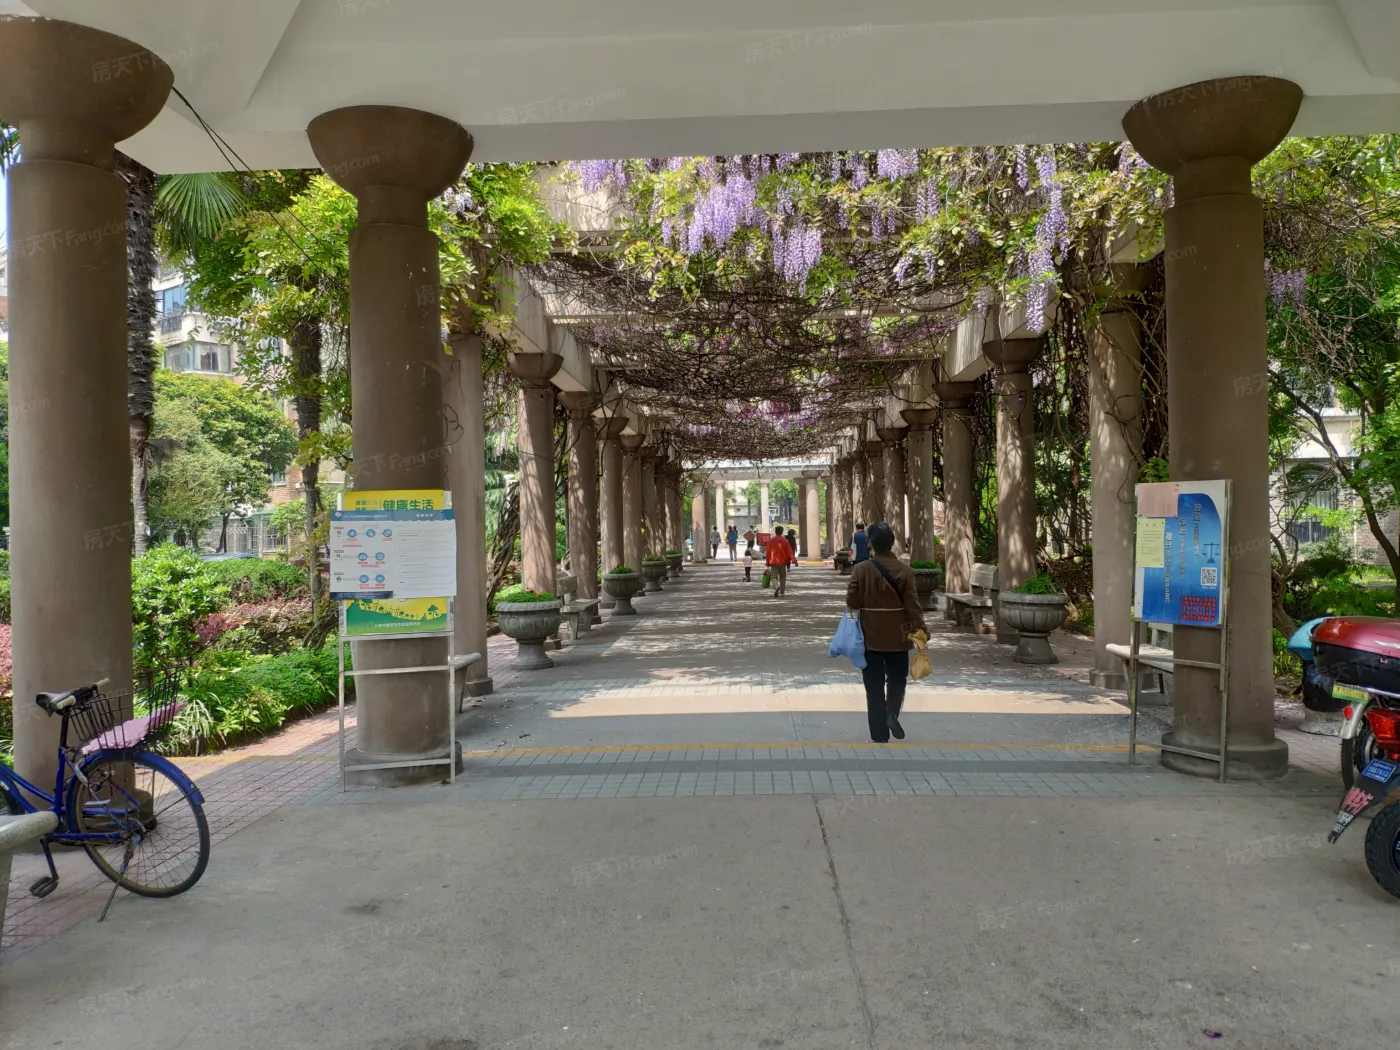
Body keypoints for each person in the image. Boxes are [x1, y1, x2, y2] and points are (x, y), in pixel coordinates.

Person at [845, 521, 926, 743]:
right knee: (898, 678)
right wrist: (921, 629)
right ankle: (892, 713)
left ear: (871, 544)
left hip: (870, 634)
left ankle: (879, 733)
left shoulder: (861, 569)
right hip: (898, 635)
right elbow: (913, 605)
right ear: (892, 543)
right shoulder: (905, 570)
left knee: (873, 684)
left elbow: (852, 601)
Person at [766, 524, 798, 596]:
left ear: (775, 531)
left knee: (774, 577)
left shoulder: (770, 541)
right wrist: (794, 561)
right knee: (783, 577)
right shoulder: (785, 541)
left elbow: (768, 552)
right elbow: (790, 552)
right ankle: (782, 592)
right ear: (782, 532)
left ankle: (776, 586)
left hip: (773, 562)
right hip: (783, 562)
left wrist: (767, 562)